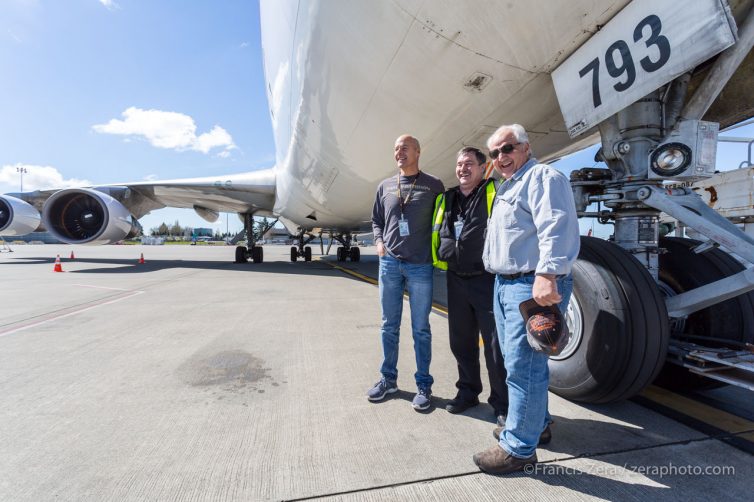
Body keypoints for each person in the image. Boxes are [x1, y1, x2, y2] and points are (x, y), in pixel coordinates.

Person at [473, 124, 580, 474]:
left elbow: (556, 226)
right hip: (506, 284)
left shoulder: (543, 178)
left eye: (507, 148)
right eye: (495, 153)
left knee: (524, 367)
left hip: (530, 285)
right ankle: (538, 424)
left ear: (526, 147)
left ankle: (519, 448)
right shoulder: (510, 185)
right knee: (518, 363)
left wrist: (547, 274)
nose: (501, 157)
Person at [431, 147, 508, 425]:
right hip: (455, 277)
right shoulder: (446, 198)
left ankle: (501, 403)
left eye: (469, 164)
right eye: (459, 164)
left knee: (494, 345)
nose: (463, 169)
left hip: (485, 278)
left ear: (482, 168)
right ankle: (468, 392)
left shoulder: (494, 192)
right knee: (461, 342)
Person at [368, 134, 445, 411]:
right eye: (396, 148)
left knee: (421, 329)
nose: (399, 152)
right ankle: (388, 380)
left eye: (405, 148)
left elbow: (444, 219)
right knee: (389, 325)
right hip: (389, 264)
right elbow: (376, 219)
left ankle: (424, 383)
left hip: (421, 266)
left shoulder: (433, 185)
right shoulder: (385, 186)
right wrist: (379, 243)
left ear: (418, 152)